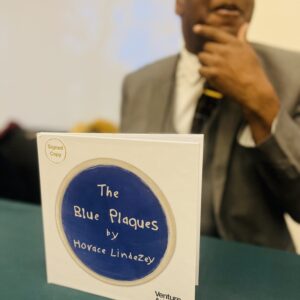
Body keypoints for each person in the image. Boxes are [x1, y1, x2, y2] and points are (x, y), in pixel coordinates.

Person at [120, 0, 300, 251]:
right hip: (153, 267)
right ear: (179, 3)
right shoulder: (139, 85)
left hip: (257, 277)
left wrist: (263, 105)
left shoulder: (294, 75)